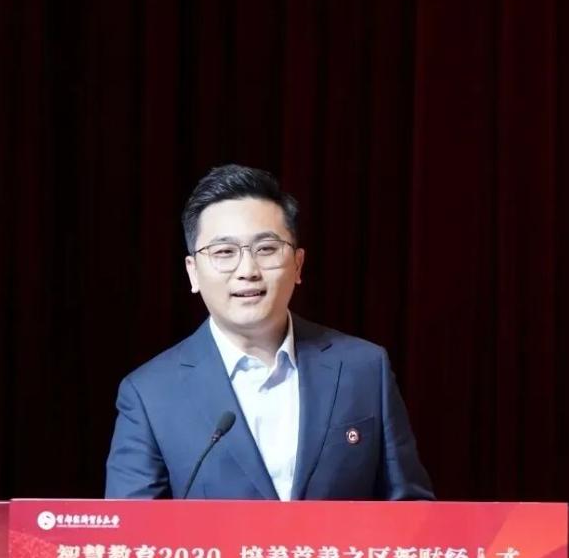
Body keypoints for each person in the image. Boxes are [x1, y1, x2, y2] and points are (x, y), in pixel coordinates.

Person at [105, 164, 434, 500]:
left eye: (266, 249)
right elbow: (131, 529)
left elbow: (411, 511)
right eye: (224, 252)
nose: (247, 271)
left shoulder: (364, 369)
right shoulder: (150, 394)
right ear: (193, 272)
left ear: (298, 264)